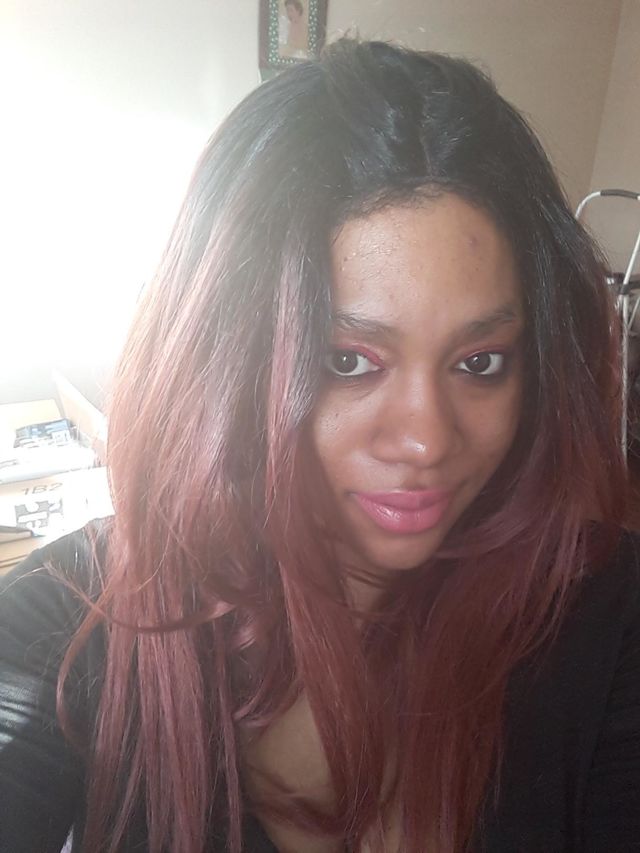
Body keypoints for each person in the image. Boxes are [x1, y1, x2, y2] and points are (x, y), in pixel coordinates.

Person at [0, 37, 638, 853]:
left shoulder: (608, 614)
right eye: (347, 361)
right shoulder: (66, 627)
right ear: (224, 360)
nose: (425, 440)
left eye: (480, 362)